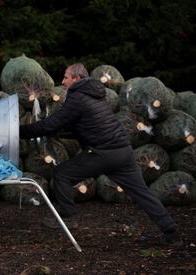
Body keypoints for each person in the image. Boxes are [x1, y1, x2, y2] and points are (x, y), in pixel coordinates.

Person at [19, 63, 183, 246]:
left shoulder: (78, 97)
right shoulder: (95, 94)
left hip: (103, 154)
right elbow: (84, 124)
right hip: (123, 152)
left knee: (61, 174)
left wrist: (20, 131)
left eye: (66, 77)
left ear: (77, 79)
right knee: (142, 193)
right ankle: (171, 231)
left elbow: (52, 124)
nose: (63, 81)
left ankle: (68, 217)